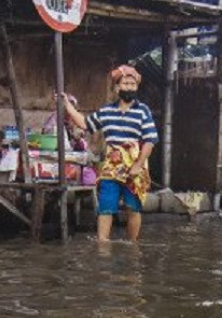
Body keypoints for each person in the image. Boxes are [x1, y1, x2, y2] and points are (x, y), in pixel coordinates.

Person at [60, 64, 157, 242]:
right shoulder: (106, 112)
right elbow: (84, 124)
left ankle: (132, 246)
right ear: (117, 87)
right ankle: (102, 244)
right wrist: (67, 106)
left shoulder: (143, 111)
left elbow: (149, 141)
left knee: (132, 208)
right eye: (126, 84)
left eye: (132, 84)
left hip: (135, 165)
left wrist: (137, 165)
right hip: (111, 166)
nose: (129, 87)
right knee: (105, 206)